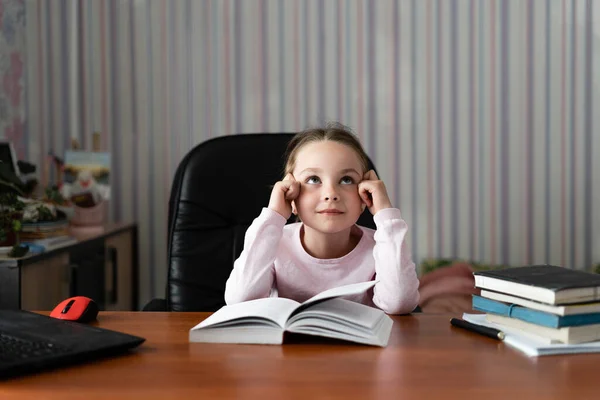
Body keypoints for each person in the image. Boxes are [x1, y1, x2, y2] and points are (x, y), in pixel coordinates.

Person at [224, 123, 419, 314]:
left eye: (346, 180)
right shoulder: (274, 243)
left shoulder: (382, 247)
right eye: (313, 180)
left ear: (364, 195)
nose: (331, 194)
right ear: (291, 194)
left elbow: (400, 303)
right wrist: (273, 215)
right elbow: (241, 300)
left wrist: (384, 213)